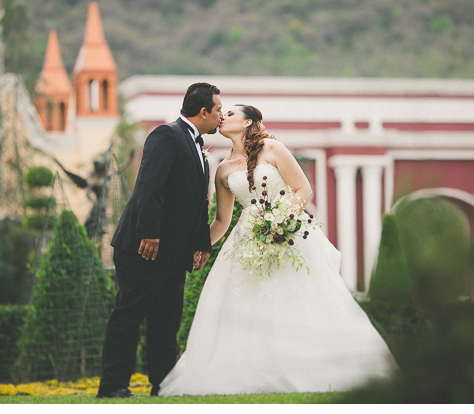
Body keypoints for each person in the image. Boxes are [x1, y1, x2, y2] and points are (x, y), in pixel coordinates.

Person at [158, 104, 397, 396]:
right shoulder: (222, 170)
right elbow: (221, 221)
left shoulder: (272, 149)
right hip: (246, 240)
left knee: (300, 299)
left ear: (248, 123)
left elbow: (303, 189)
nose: (223, 117)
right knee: (244, 304)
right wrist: (199, 246)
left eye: (230, 114)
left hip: (287, 234)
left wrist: (279, 221)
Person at [96, 82, 223, 399]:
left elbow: (197, 205)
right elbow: (149, 187)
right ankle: (113, 387)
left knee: (166, 321)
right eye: (219, 110)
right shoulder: (166, 135)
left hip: (174, 254)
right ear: (203, 111)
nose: (222, 116)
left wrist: (202, 244)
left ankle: (163, 386)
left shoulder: (200, 149)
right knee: (129, 314)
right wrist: (149, 233)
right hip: (143, 247)